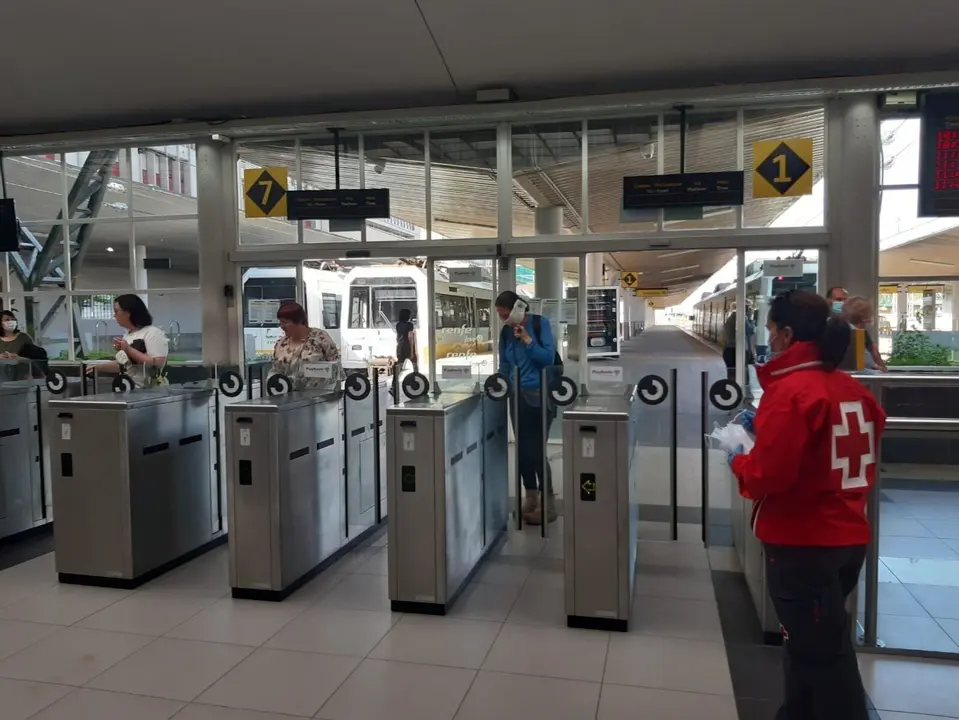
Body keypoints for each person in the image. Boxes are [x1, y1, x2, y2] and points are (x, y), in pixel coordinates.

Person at [728, 290, 886, 720]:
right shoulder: (853, 390)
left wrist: (739, 460)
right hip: (848, 537)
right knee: (807, 644)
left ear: (788, 335)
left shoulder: (794, 393)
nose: (769, 339)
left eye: (772, 331)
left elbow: (767, 475)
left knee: (825, 659)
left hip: (802, 544)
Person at [495, 291, 559, 525]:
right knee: (522, 452)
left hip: (539, 396)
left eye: (504, 314)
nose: (502, 319)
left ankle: (548, 500)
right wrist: (500, 384)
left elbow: (548, 359)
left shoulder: (540, 325)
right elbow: (504, 363)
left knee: (535, 451)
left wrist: (527, 340)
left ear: (516, 310)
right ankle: (530, 496)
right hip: (517, 396)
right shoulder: (505, 333)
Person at [87, 295, 169, 386]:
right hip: (129, 388)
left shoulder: (153, 333)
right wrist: (98, 367)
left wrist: (128, 349)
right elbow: (124, 365)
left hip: (150, 391)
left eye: (116, 311)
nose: (114, 315)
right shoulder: (128, 335)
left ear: (128, 312)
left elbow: (156, 365)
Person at [272, 301, 342, 389]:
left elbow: (337, 369)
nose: (281, 326)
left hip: (320, 398)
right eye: (280, 322)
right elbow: (275, 372)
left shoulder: (320, 337)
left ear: (299, 322)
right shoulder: (281, 344)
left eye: (285, 322)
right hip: (288, 399)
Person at [842, 296, 888, 372]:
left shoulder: (839, 330)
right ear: (864, 318)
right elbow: (864, 368)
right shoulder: (856, 335)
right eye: (870, 313)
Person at [722, 304, 755, 380]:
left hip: (728, 350)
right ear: (745, 310)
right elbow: (751, 330)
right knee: (742, 374)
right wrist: (751, 319)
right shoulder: (744, 318)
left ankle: (732, 389)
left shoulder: (729, 319)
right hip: (740, 350)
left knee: (731, 373)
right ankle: (740, 390)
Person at [0, 310, 36, 381]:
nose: (11, 321)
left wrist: (20, 358)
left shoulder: (24, 338)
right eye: (7, 319)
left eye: (13, 319)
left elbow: (35, 358)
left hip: (22, 379)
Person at [395, 308, 418, 373]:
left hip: (400, 346)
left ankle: (395, 380)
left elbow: (397, 337)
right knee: (414, 363)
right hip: (407, 346)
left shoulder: (398, 324)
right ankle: (416, 377)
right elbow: (410, 338)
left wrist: (399, 345)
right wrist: (412, 352)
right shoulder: (410, 325)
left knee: (400, 364)